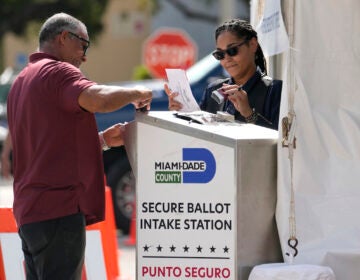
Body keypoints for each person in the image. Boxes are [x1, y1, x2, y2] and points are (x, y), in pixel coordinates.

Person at [7, 13, 152, 280]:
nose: (84, 56)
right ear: (64, 37)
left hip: (30, 212)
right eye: (83, 45)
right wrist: (137, 92)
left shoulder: (22, 80)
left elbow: (47, 148)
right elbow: (97, 99)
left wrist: (103, 140)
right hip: (58, 210)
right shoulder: (58, 71)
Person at [166, 19, 282, 130]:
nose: (227, 58)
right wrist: (181, 113)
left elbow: (281, 142)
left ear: (252, 45)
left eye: (232, 50)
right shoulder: (213, 90)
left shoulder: (275, 90)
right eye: (220, 54)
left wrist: (249, 114)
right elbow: (198, 136)